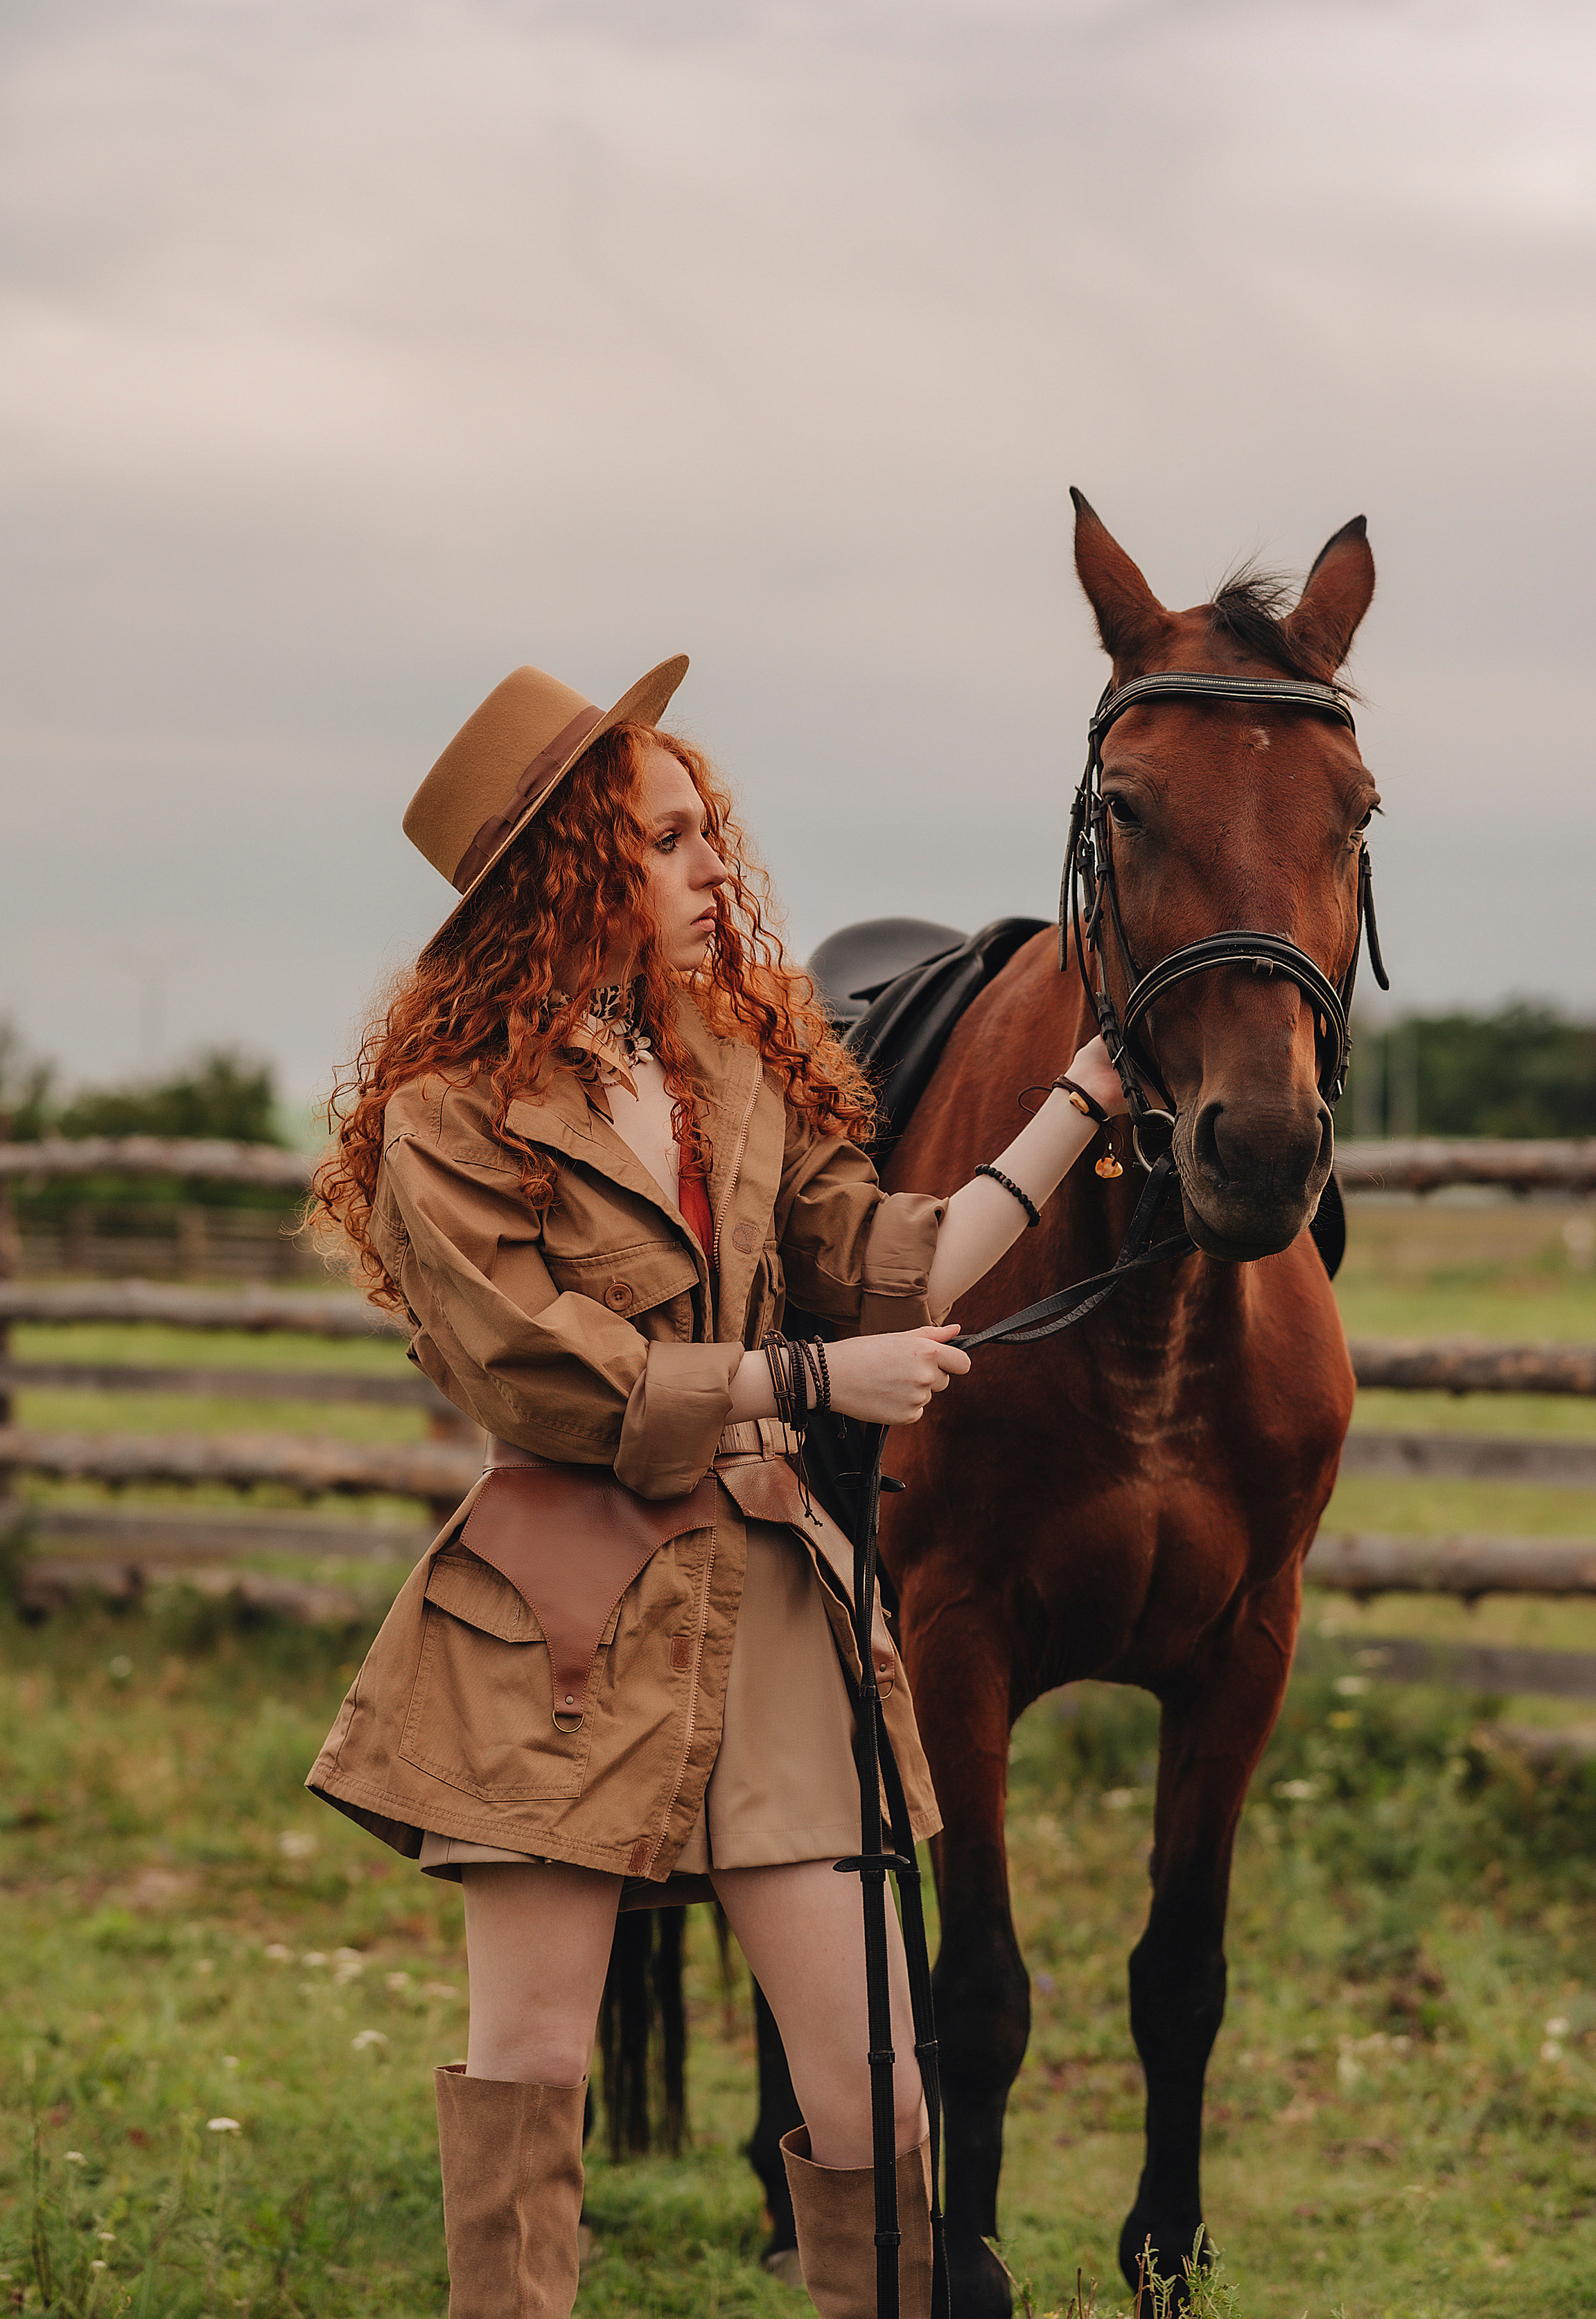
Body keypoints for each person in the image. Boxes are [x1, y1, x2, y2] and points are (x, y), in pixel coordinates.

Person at [306, 653, 1128, 2319]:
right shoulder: (446, 1119)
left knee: (877, 2091)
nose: (712, 867)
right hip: (550, 1618)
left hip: (767, 1609)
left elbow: (898, 1264)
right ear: (564, 870)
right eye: (666, 838)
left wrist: (1079, 1097)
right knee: (534, 2068)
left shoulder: (731, 1068)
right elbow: (544, 1375)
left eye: (705, 830)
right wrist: (810, 1384)